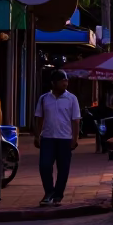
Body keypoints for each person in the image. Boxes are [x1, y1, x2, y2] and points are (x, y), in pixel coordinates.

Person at [33, 69, 81, 207]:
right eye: (62, 80)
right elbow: (39, 117)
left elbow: (76, 120)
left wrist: (75, 138)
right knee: (45, 166)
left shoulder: (72, 99)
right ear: (54, 83)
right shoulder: (44, 99)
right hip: (47, 138)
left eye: (66, 80)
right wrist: (37, 135)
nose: (65, 83)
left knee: (63, 168)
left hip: (65, 138)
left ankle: (58, 195)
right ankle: (49, 192)